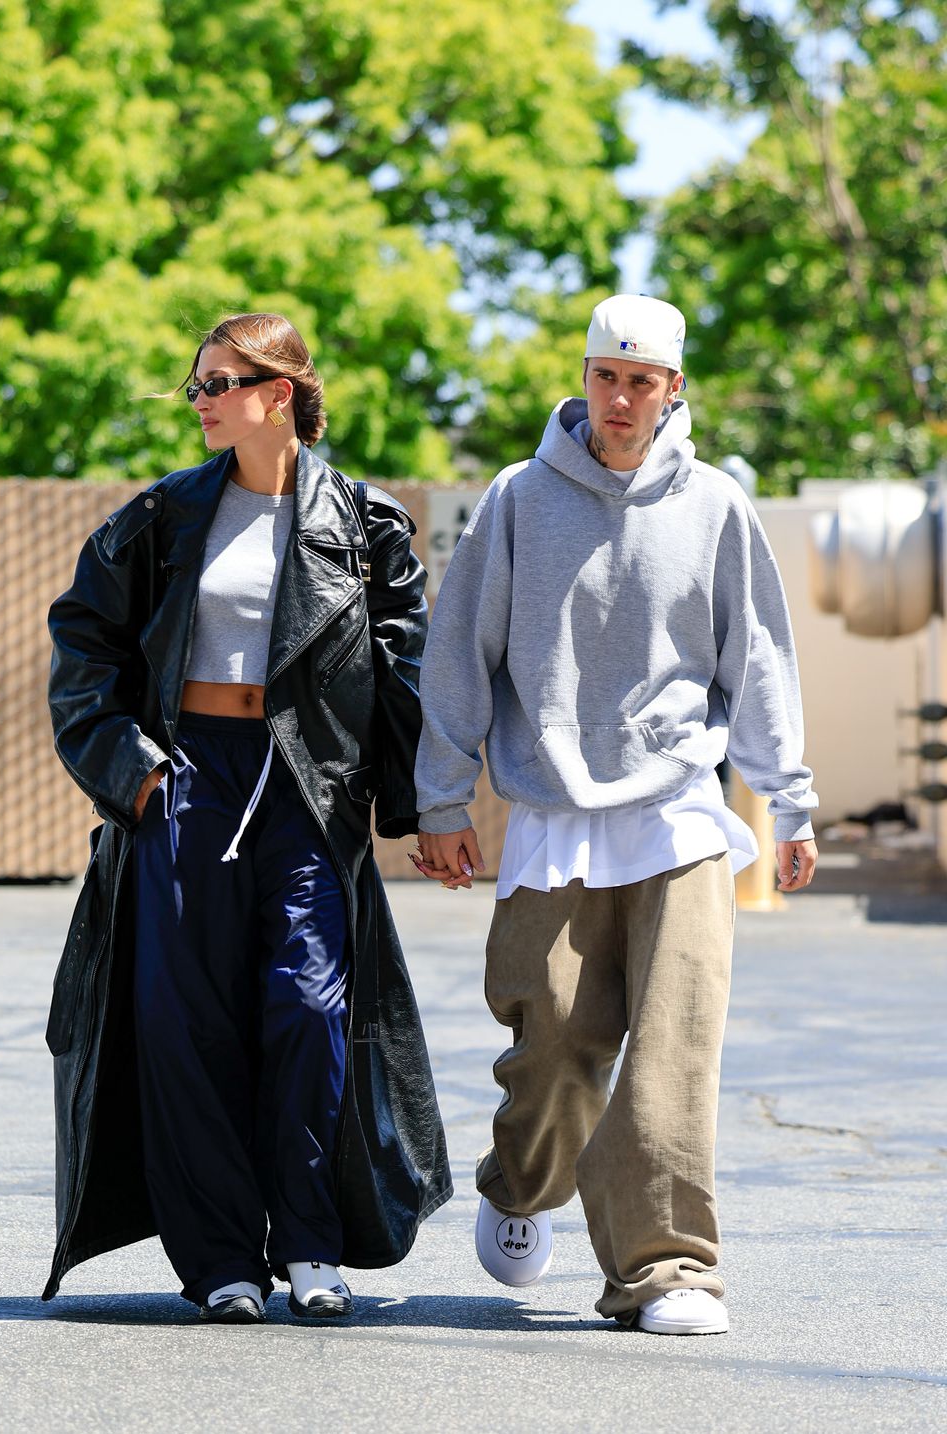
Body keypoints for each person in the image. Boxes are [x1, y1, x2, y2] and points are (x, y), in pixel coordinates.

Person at [411, 294, 817, 1335]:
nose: (621, 398)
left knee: (676, 1043)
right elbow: (459, 653)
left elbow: (757, 658)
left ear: (675, 391)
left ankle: (665, 1268)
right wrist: (441, 794)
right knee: (550, 1037)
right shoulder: (515, 499)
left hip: (679, 810)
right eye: (605, 375)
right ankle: (522, 1182)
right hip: (551, 809)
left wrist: (788, 800)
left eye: (643, 381)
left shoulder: (718, 507)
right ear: (583, 378)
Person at [44, 312, 451, 1323]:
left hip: (304, 783)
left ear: (280, 391)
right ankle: (221, 1256)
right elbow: (82, 644)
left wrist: (411, 808)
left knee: (308, 1012)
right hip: (185, 778)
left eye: (221, 382)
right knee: (184, 1023)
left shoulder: (363, 521)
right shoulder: (164, 516)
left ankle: (310, 1241)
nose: (202, 401)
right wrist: (133, 774)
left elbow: (406, 671)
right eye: (197, 384)